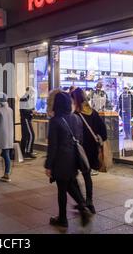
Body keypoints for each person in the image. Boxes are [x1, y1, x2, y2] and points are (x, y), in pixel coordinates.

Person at [45, 91, 91, 229]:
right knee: (70, 183)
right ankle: (83, 208)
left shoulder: (55, 121)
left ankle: (63, 219)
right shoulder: (76, 118)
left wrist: (48, 165)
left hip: (60, 160)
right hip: (73, 159)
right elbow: (80, 139)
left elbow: (53, 145)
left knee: (62, 189)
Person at [71, 87, 107, 214]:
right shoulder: (93, 112)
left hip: (79, 150)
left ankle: (80, 201)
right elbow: (103, 131)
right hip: (92, 150)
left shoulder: (75, 115)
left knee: (72, 176)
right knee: (87, 175)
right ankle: (89, 202)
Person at [19, 87, 37, 159]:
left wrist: (32, 111)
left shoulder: (27, 98)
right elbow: (23, 110)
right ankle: (28, 152)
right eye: (32, 92)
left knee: (25, 136)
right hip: (25, 119)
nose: (33, 93)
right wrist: (31, 111)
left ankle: (23, 151)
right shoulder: (24, 98)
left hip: (26, 118)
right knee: (31, 135)